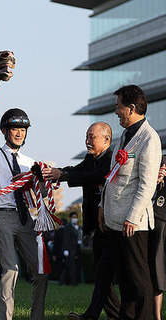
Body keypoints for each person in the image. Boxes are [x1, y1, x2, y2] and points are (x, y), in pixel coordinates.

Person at [0, 108, 48, 320]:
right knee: (11, 270)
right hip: (2, 215)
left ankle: (37, 317)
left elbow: (42, 193)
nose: (19, 133)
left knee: (41, 272)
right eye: (15, 129)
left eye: (23, 130)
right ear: (4, 131)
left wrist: (43, 179)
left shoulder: (29, 161)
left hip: (26, 217)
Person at [42, 122, 120, 318]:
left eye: (91, 137)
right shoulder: (90, 158)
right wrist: (55, 174)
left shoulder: (111, 159)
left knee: (106, 275)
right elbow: (77, 171)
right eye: (86, 136)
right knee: (104, 277)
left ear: (106, 139)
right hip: (95, 227)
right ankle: (117, 316)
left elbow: (95, 176)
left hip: (110, 225)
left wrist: (64, 175)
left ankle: (91, 316)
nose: (87, 141)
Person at [98, 85, 161, 319]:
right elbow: (113, 175)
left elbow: (147, 185)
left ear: (131, 108)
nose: (116, 112)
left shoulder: (149, 139)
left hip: (133, 224)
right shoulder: (125, 135)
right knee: (124, 281)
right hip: (115, 221)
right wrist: (102, 206)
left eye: (118, 107)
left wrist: (132, 216)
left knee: (139, 281)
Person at [150, 156, 166, 320]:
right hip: (161, 217)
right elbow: (148, 186)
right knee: (157, 269)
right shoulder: (162, 161)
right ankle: (156, 315)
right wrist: (157, 178)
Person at [58, 212, 80, 286]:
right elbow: (66, 239)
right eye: (73, 217)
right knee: (71, 267)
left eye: (76, 217)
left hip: (73, 250)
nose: (75, 219)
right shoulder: (68, 227)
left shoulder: (75, 227)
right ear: (70, 218)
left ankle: (62, 282)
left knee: (68, 267)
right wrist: (66, 249)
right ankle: (73, 283)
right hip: (69, 250)